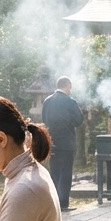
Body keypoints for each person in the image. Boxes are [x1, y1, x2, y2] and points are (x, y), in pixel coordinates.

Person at [41, 76, 84, 213]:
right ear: (68, 86)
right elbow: (78, 121)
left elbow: (44, 120)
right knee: (65, 174)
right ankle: (63, 203)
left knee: (54, 172)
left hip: (52, 141)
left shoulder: (47, 101)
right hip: (66, 143)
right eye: (70, 87)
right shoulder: (70, 101)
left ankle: (52, 203)